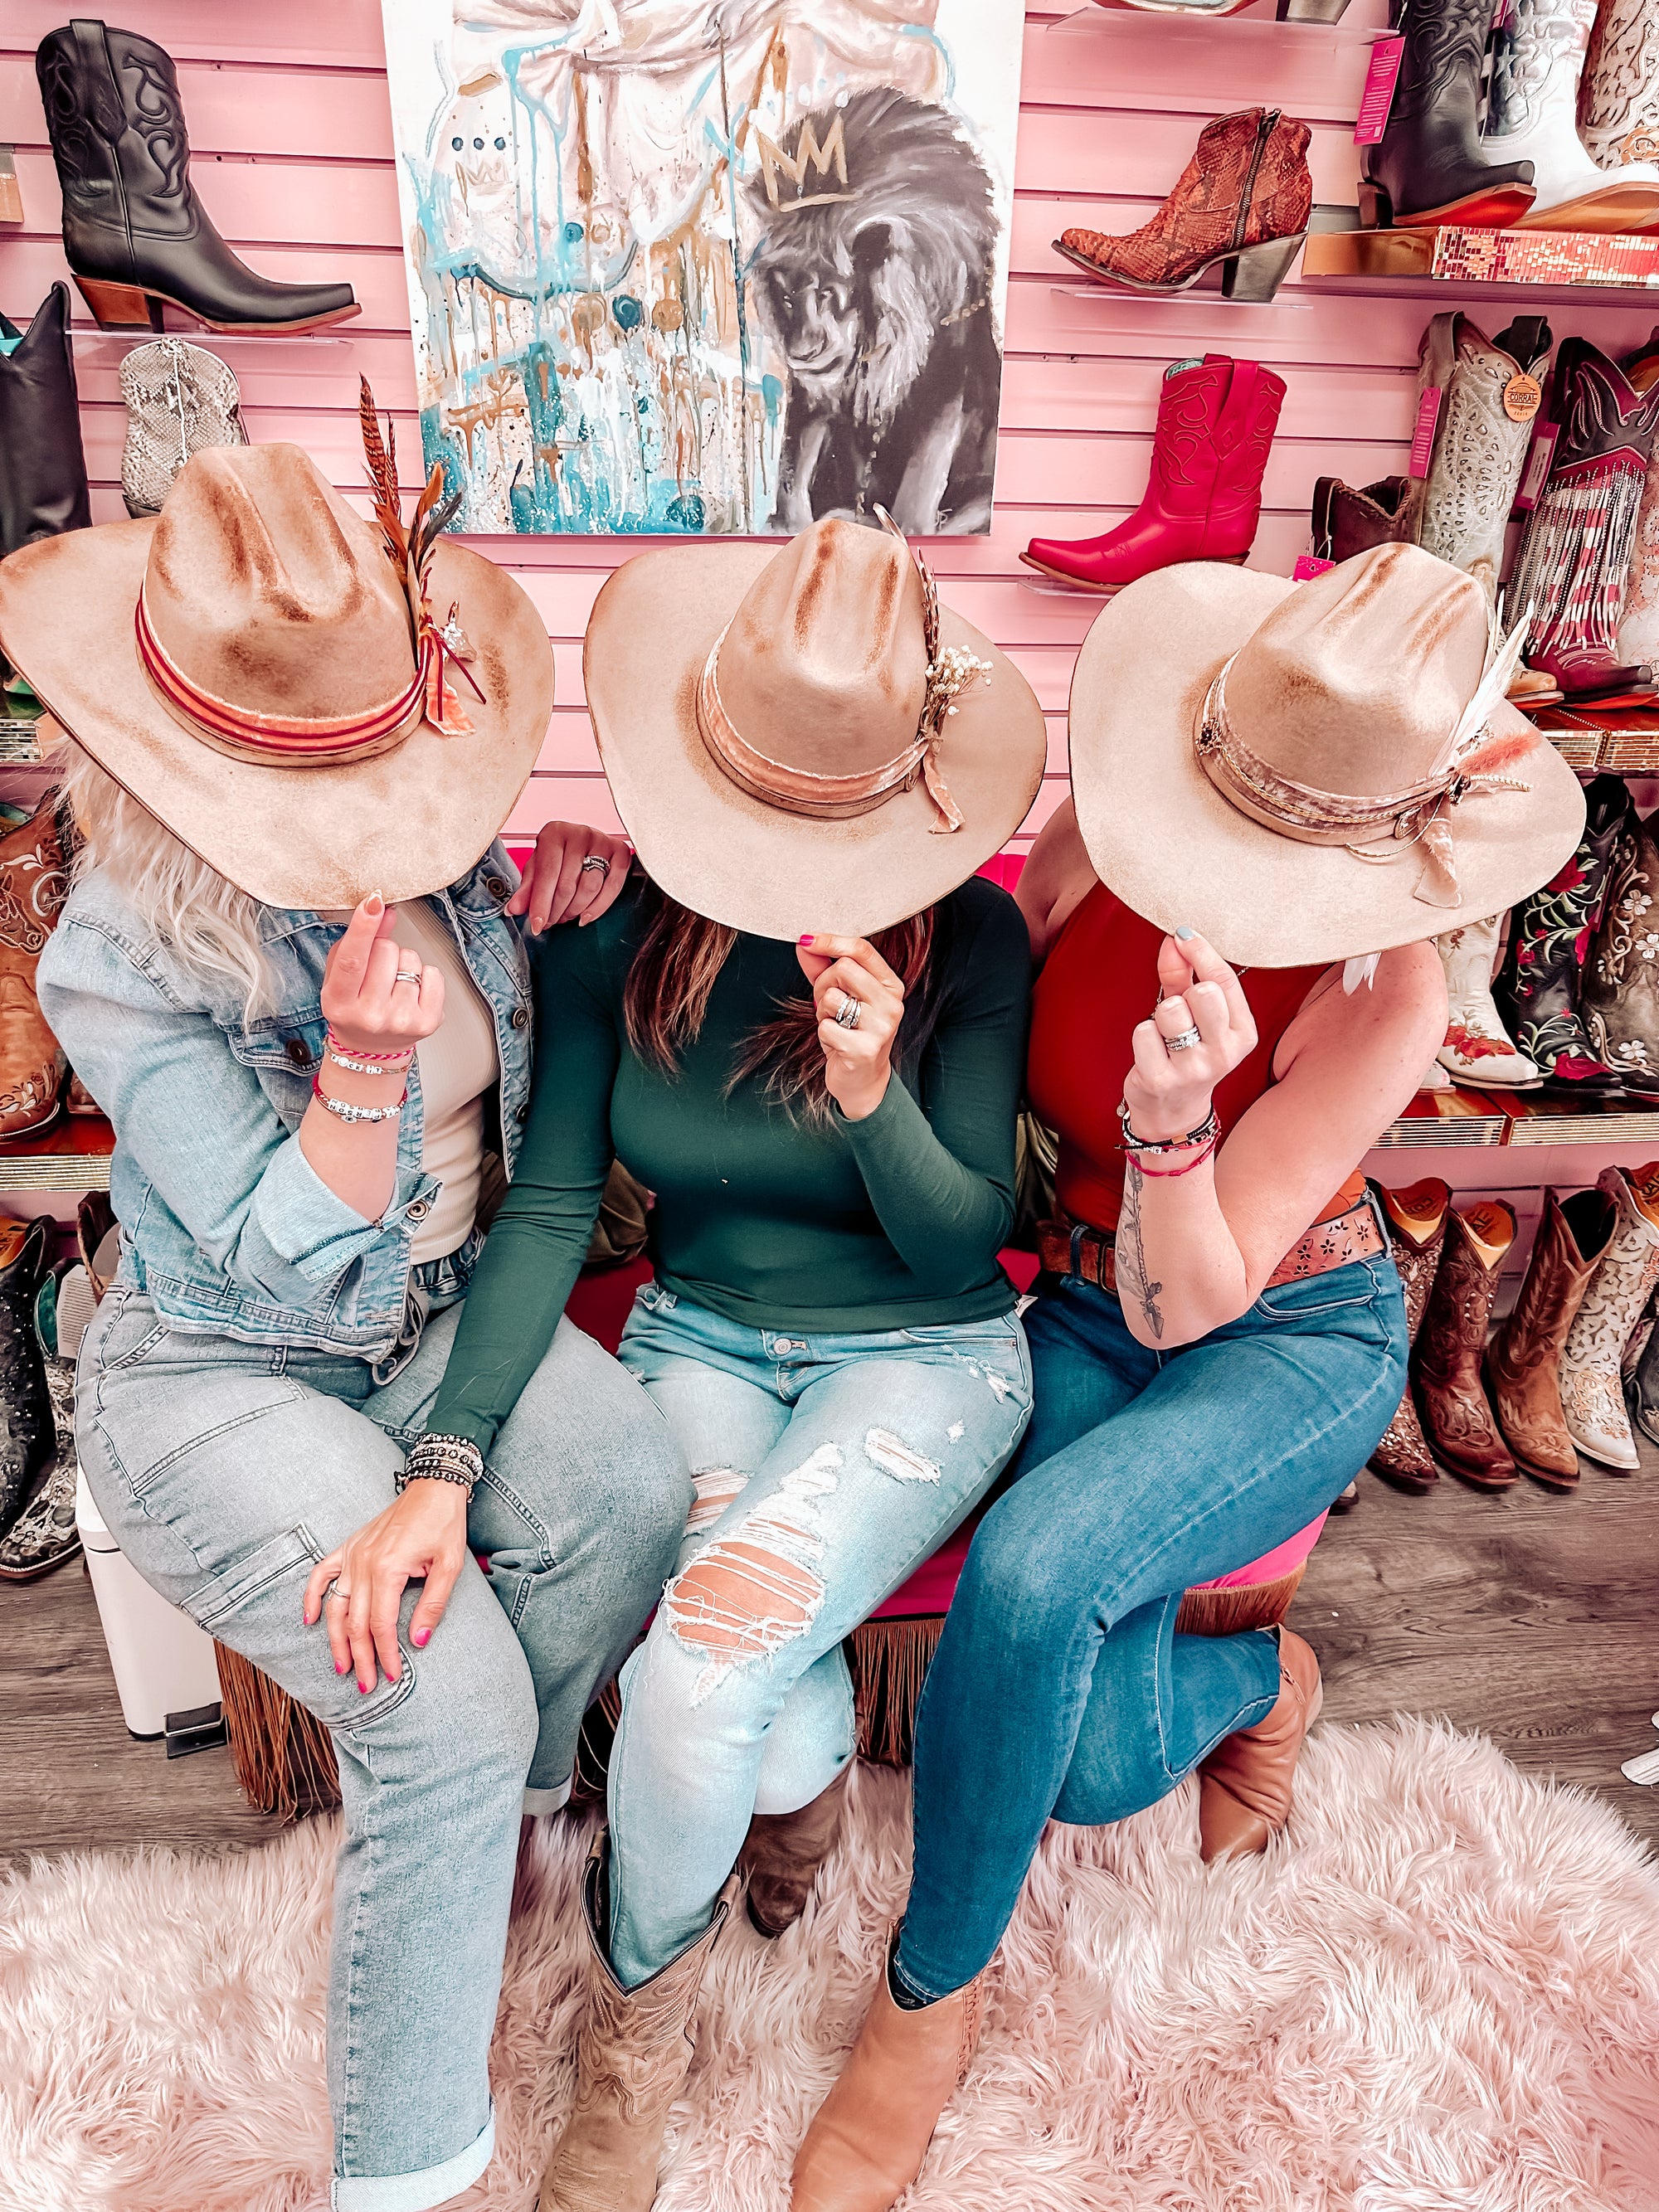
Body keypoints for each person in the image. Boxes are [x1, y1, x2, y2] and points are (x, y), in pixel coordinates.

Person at [788, 542, 1589, 2212]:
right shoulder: (1106, 836)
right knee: (1078, 1763)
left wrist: (1170, 1126)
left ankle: (925, 2007)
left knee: (1029, 1574)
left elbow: (1192, 1297)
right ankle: (1258, 1689)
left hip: (1283, 1333)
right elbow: (967, 987)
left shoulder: (1386, 986)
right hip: (1086, 1301)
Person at [0, 438, 690, 2212]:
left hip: (433, 1322)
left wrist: (563, 922)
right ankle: (412, 2176)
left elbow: (525, 1152)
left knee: (622, 1483)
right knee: (427, 1685)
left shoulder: (432, 841)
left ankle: (497, 1836)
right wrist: (361, 1074)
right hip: (225, 1363)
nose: (363, 819)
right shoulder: (112, 953)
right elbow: (288, 1262)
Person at [416, 511, 1049, 2212]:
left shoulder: (969, 941)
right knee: (751, 1715)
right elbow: (552, 1210)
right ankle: (804, 1789)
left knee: (696, 1674)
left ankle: (635, 2039)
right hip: (702, 1337)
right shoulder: (623, 920)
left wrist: (871, 1093)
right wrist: (448, 1453)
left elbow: (956, 1239)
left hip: (923, 1357)